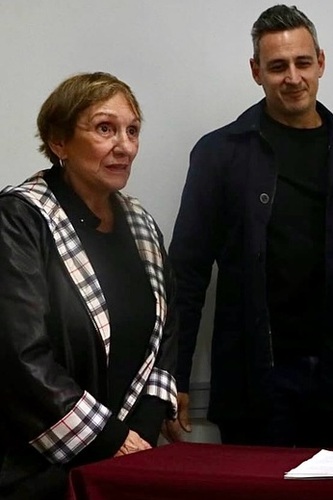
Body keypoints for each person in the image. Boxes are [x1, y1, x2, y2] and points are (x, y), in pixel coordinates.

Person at [165, 4, 333, 448]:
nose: (293, 77)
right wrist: (173, 377)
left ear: (321, 63)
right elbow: (186, 275)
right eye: (277, 66)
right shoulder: (219, 154)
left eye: (303, 63)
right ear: (256, 71)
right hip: (253, 384)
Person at [0, 72, 177, 499]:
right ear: (58, 141)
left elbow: (166, 335)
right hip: (35, 473)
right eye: (105, 129)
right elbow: (20, 358)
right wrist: (111, 441)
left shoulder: (141, 223)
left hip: (128, 462)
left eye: (132, 130)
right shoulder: (20, 218)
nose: (125, 146)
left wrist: (140, 434)